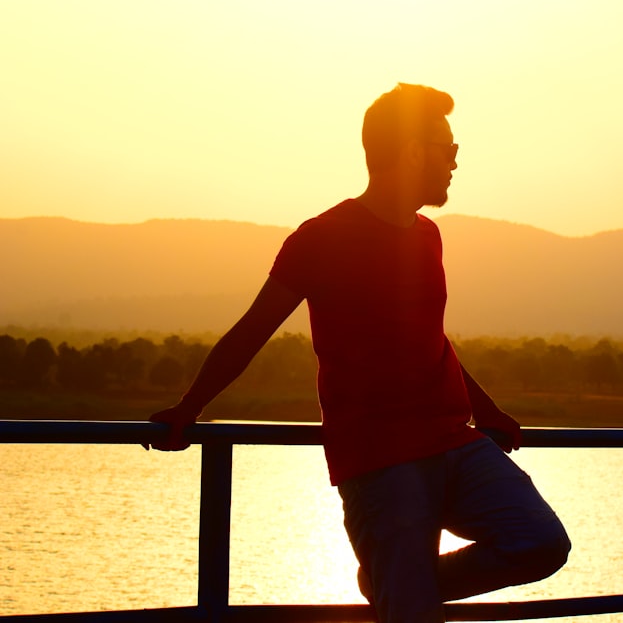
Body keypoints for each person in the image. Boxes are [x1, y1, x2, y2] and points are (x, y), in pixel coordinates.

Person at [146, 83, 571, 622]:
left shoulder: (428, 236)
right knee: (414, 615)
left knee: (540, 542)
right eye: (449, 148)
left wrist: (485, 409)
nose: (455, 163)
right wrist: (190, 409)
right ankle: (403, 592)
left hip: (453, 444)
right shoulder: (321, 239)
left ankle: (396, 585)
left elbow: (429, 336)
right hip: (380, 461)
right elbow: (252, 331)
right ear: (413, 150)